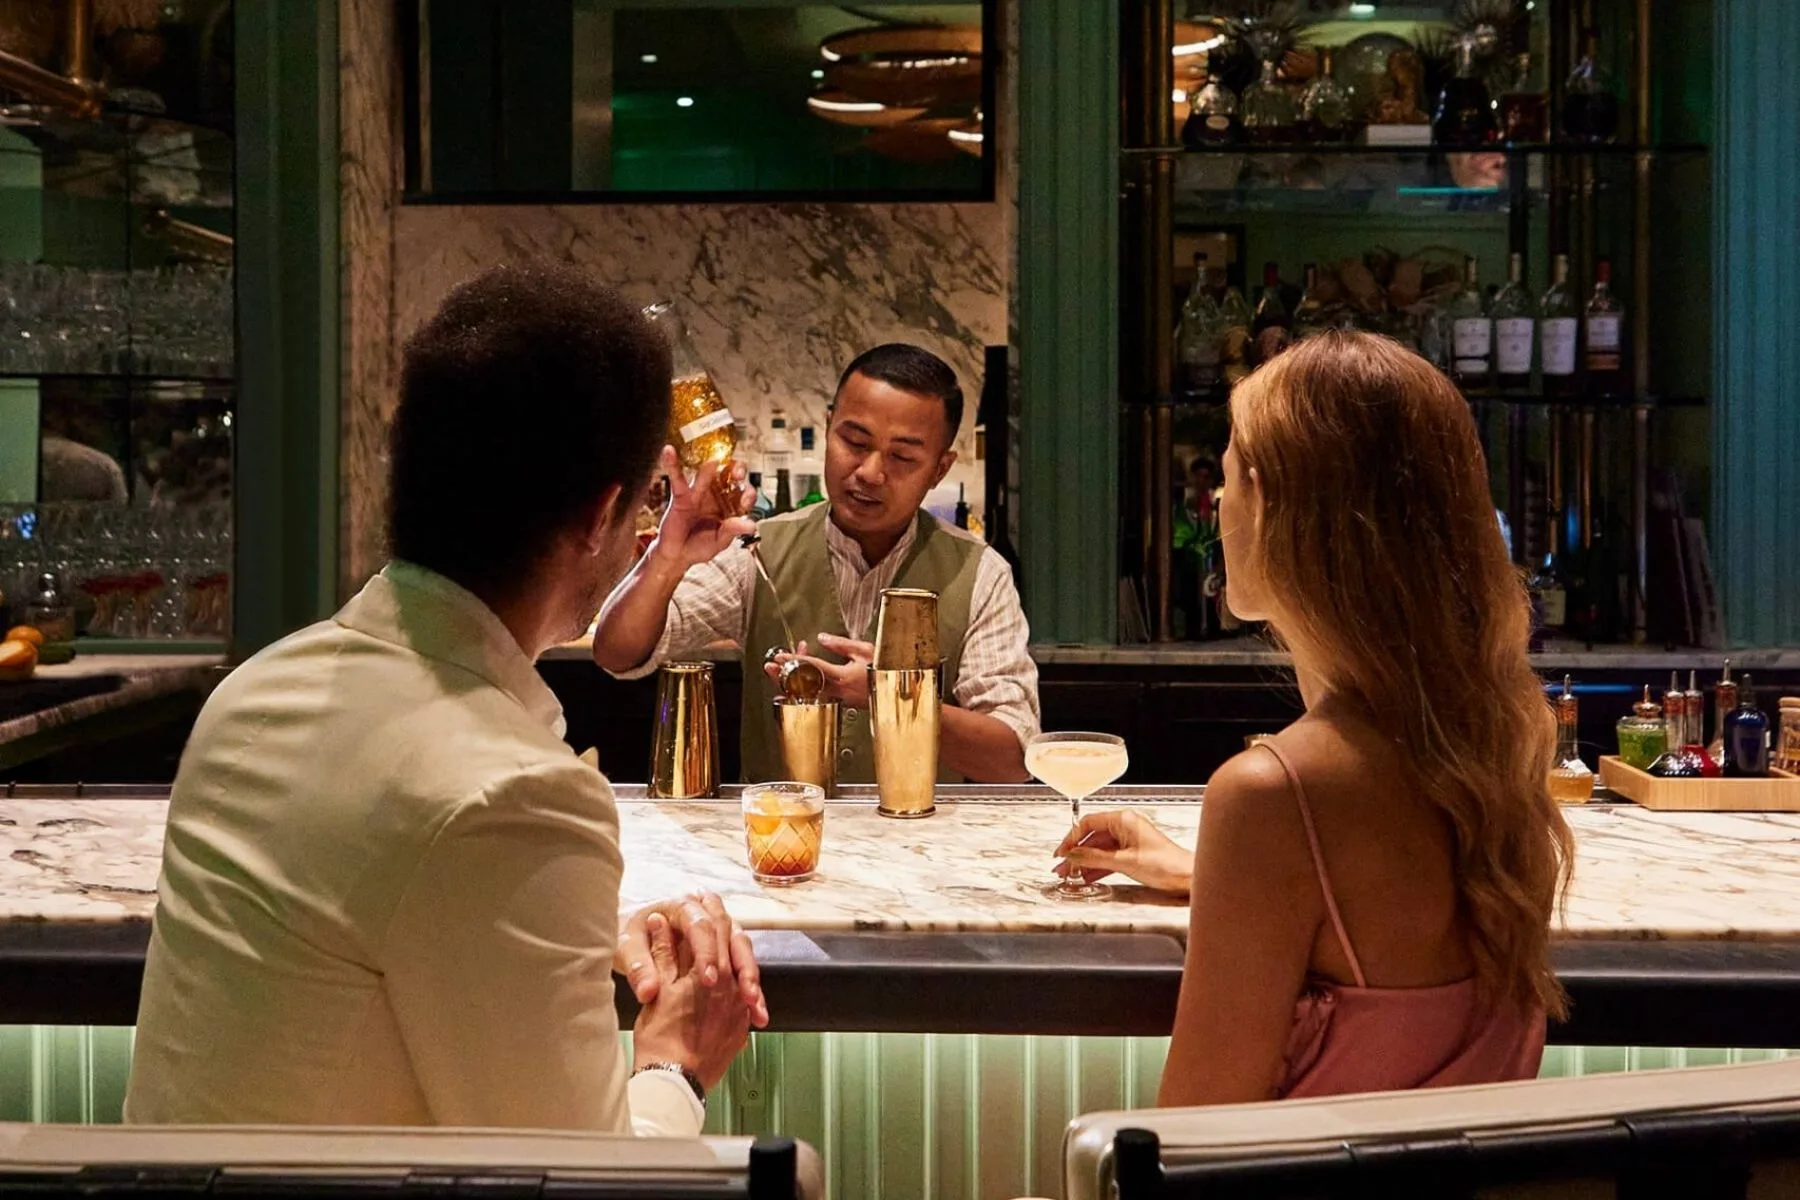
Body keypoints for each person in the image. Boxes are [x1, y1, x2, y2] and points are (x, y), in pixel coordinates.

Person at [125, 263, 765, 1135]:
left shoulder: (252, 695)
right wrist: (678, 1061)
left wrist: (563, 924)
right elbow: (587, 1185)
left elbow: (370, 930)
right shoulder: (513, 796)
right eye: (651, 500)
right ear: (600, 514)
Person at [1055, 331, 1572, 1104]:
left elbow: (1191, 1145)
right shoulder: (1490, 741)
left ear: (1268, 506)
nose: (1216, 505)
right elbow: (1389, 940)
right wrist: (1214, 879)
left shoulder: (1276, 793)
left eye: (1226, 479)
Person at [593, 343, 1039, 784]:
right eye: (854, 441)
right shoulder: (758, 549)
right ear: (828, 429)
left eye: (903, 456)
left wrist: (888, 697)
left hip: (922, 847)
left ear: (939, 469)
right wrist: (667, 558)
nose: (869, 472)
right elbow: (617, 653)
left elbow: (1014, 758)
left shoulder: (979, 572)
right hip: (776, 842)